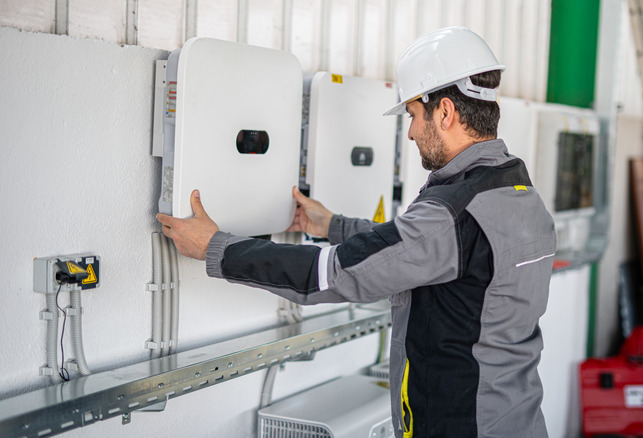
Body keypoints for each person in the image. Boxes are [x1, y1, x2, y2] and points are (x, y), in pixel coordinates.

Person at [158, 26, 555, 438]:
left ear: (445, 112)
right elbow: (412, 249)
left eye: (414, 116)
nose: (412, 132)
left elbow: (331, 275)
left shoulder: (453, 213)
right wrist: (331, 225)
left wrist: (215, 248)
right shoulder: (519, 194)